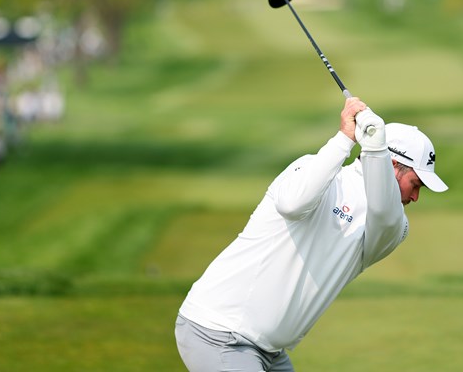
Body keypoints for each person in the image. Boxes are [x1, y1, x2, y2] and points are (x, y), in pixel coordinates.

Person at [175, 97, 448, 372]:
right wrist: (345, 138)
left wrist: (375, 149)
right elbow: (292, 204)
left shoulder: (395, 226)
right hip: (219, 330)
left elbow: (384, 212)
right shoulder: (313, 171)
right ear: (391, 166)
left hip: (269, 351)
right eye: (415, 184)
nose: (415, 196)